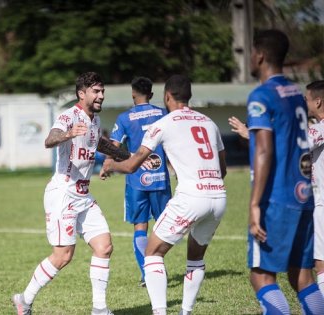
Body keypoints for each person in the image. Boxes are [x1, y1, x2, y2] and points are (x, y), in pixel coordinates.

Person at [100, 74, 227, 315]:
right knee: (195, 259)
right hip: (218, 197)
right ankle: (185, 312)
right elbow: (223, 169)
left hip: (189, 197)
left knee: (152, 252)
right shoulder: (209, 123)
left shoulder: (165, 123)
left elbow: (131, 165)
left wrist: (110, 166)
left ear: (167, 96)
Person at [12, 72, 130, 315]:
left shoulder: (95, 120)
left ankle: (99, 309)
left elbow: (102, 144)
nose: (101, 95)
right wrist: (68, 134)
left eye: (102, 91)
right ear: (82, 93)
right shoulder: (69, 116)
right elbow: (50, 139)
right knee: (63, 256)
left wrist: (135, 157)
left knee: (104, 246)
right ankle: (24, 300)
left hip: (83, 196)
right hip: (63, 194)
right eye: (96, 91)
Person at [245, 29, 324, 314]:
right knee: (302, 277)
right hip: (303, 196)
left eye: (251, 52)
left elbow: (264, 150)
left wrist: (255, 204)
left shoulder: (261, 95)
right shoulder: (294, 93)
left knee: (261, 276)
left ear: (260, 55)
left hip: (275, 199)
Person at [107, 76, 171, 287]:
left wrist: (109, 163)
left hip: (136, 180)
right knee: (163, 228)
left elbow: (114, 147)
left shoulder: (125, 118)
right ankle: (158, 268)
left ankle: (147, 273)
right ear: (151, 95)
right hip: (161, 178)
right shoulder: (163, 113)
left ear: (133, 94)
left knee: (140, 227)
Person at [305, 80, 324, 297]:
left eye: (307, 99)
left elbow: (299, 145)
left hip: (322, 202)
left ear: (318, 102)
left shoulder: (320, 129)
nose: (305, 102)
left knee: (321, 264)